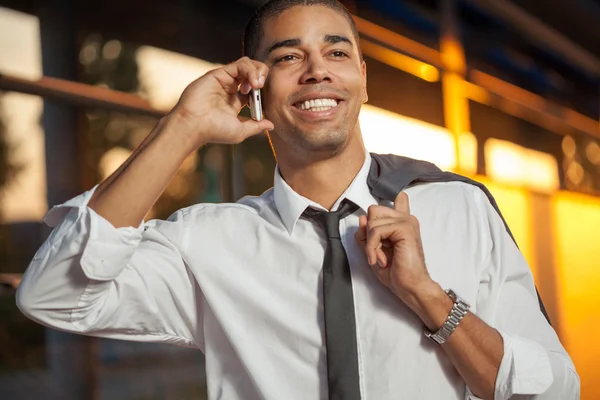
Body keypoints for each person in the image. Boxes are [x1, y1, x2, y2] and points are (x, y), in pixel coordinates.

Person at [17, 0, 579, 399]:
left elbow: (555, 390)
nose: (316, 71)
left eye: (336, 52)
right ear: (253, 89)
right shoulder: (207, 242)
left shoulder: (458, 208)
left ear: (361, 76)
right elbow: (52, 294)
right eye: (288, 58)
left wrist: (430, 298)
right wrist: (182, 127)